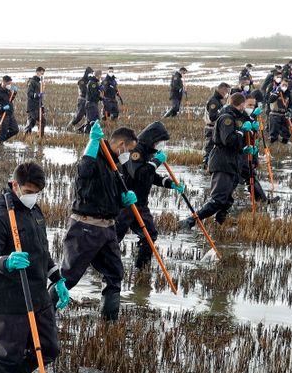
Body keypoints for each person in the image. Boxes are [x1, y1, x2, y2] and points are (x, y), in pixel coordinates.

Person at [0, 162, 66, 373]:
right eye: (28, 192)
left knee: (49, 349)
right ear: (14, 185)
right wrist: (6, 261)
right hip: (10, 300)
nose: (32, 197)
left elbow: (43, 251)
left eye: (37, 193)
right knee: (9, 357)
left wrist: (57, 279)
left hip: (39, 295)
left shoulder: (35, 211)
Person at [59, 121, 138, 322]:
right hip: (85, 228)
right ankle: (42, 314)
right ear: (121, 144)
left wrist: (123, 201)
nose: (129, 154)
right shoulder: (94, 158)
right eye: (129, 149)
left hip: (107, 229)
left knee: (114, 274)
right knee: (68, 277)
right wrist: (92, 143)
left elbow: (108, 197)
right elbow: (83, 173)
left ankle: (109, 321)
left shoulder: (115, 167)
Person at [182, 92, 257, 229]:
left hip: (232, 162)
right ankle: (191, 220)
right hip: (223, 162)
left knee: (227, 199)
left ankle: (220, 223)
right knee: (218, 200)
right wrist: (241, 132)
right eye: (245, 104)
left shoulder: (236, 116)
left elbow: (237, 142)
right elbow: (228, 140)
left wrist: (245, 147)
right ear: (241, 104)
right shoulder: (226, 118)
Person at [116, 121, 185, 270]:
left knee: (150, 235)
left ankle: (141, 268)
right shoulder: (136, 151)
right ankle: (98, 265)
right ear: (152, 139)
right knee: (114, 236)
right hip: (127, 204)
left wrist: (169, 183)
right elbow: (139, 174)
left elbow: (150, 176)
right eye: (160, 142)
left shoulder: (148, 152)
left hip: (141, 204)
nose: (160, 145)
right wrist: (155, 162)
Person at [203, 82, 229, 168]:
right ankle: (206, 165)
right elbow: (212, 117)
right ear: (222, 90)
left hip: (215, 127)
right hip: (211, 128)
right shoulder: (214, 101)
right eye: (226, 92)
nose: (227, 94)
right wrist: (224, 113)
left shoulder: (218, 100)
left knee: (214, 148)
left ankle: (211, 165)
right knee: (209, 148)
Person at [0, 75, 19, 143]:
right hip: (2, 114)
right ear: (3, 82)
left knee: (15, 130)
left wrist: (14, 93)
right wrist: (1, 107)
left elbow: (10, 100)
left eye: (10, 83)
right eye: (8, 83)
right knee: (3, 132)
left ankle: (0, 140)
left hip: (9, 113)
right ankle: (0, 142)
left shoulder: (7, 90)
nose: (9, 85)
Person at [23, 66, 45, 135]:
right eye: (41, 74)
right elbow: (29, 93)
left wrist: (42, 105)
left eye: (43, 74)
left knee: (40, 121)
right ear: (37, 72)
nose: (42, 75)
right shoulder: (32, 82)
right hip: (32, 106)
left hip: (38, 106)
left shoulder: (40, 83)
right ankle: (27, 134)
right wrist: (36, 95)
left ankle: (38, 136)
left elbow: (40, 97)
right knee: (35, 121)